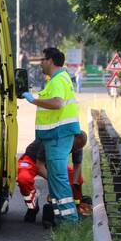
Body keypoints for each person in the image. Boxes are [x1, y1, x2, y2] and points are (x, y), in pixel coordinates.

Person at [23, 47, 82, 227]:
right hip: (55, 135)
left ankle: (69, 222)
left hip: (58, 134)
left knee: (59, 178)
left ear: (50, 61)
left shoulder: (58, 80)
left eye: (43, 59)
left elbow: (57, 103)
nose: (40, 62)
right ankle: (61, 219)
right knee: (56, 180)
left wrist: (34, 100)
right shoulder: (57, 80)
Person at [17, 131, 89, 224]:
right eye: (74, 147)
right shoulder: (50, 140)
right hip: (32, 159)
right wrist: (55, 182)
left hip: (53, 162)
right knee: (23, 179)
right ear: (69, 140)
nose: (74, 151)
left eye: (77, 149)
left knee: (78, 179)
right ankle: (33, 208)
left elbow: (77, 166)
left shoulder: (78, 144)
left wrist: (74, 184)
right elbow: (39, 166)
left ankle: (75, 207)